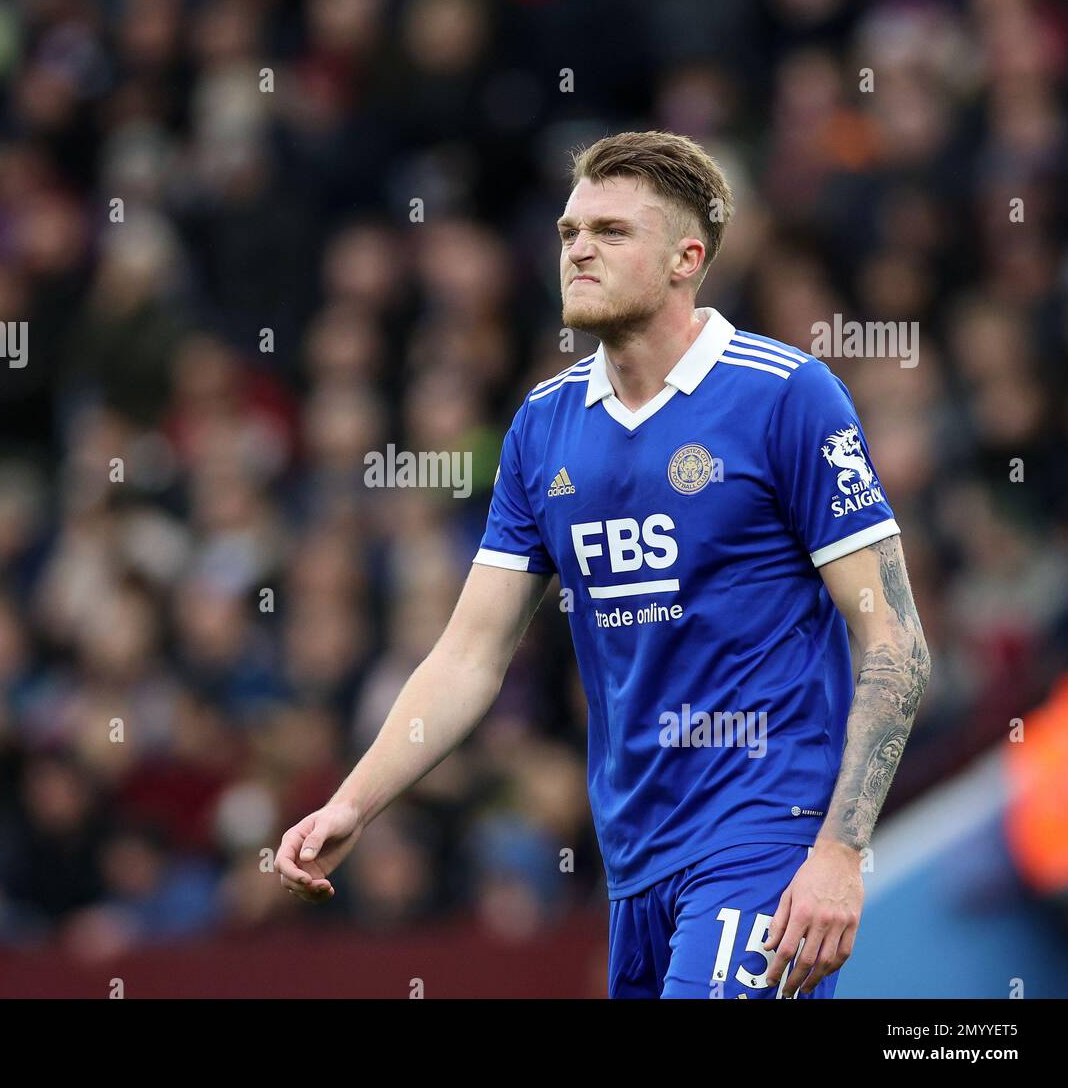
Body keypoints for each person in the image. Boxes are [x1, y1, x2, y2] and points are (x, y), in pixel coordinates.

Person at [275, 130, 931, 999]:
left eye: (613, 232)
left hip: (765, 836)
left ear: (685, 258)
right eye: (568, 231)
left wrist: (841, 854)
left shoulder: (786, 395)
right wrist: (353, 802)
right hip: (633, 865)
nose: (579, 247)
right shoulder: (543, 427)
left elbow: (894, 639)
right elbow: (469, 655)